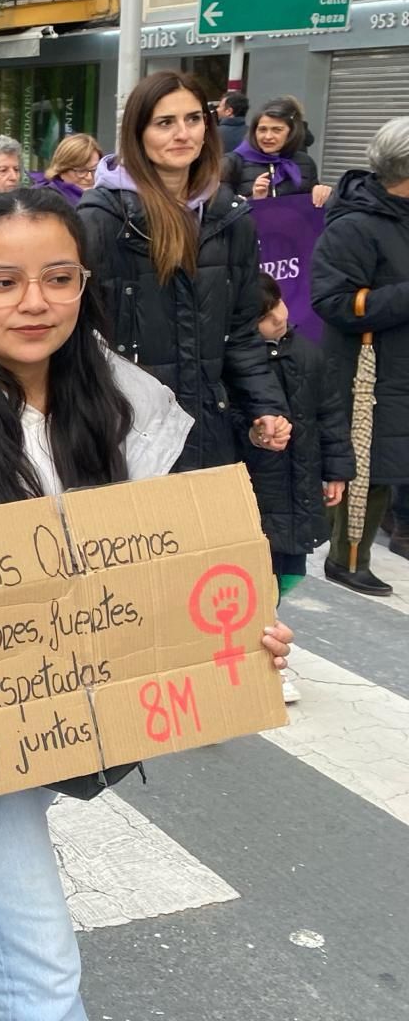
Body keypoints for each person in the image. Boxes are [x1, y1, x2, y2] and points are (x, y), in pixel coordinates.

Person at [0, 187, 296, 1021]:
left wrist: (234, 629)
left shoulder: (133, 411)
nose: (35, 302)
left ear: (83, 284)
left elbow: (153, 567)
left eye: (59, 278)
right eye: (2, 282)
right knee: (42, 980)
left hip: (60, 717)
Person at [79, 70, 289, 471]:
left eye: (193, 119)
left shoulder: (231, 217)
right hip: (122, 434)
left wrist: (265, 406)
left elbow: (241, 332)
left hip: (208, 429)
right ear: (138, 132)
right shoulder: (102, 220)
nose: (183, 133)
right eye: (165, 122)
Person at [238, 273, 351, 696]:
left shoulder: (309, 354)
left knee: (287, 575)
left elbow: (330, 415)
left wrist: (336, 469)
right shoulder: (240, 367)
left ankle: (264, 643)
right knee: (257, 582)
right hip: (260, 492)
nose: (280, 317)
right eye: (266, 317)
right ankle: (266, 666)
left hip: (300, 486)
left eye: (280, 306)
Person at [310, 116, 409, 595]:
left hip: (399, 363)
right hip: (367, 370)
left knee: (389, 462)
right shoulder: (356, 226)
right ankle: (347, 558)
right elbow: (333, 301)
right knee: (367, 467)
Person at [221, 98, 332, 208]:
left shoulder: (305, 162)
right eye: (262, 129)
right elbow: (219, 211)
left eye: (277, 130)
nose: (268, 137)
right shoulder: (233, 161)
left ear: (292, 132)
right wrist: (254, 200)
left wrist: (322, 195)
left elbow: (313, 210)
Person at [30, 134, 103, 207]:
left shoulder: (105, 199)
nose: (89, 177)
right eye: (81, 171)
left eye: (95, 169)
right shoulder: (42, 202)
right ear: (61, 170)